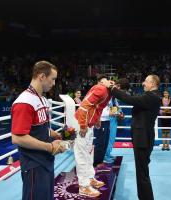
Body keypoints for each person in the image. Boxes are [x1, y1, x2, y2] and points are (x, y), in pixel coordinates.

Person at [11, 61, 65, 200]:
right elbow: (18, 138)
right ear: (41, 76)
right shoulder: (24, 102)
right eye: (52, 79)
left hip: (45, 161)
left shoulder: (41, 99)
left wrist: (55, 135)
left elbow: (40, 129)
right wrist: (49, 147)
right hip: (34, 163)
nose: (54, 83)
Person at [103, 74, 161, 200]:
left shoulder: (152, 97)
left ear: (153, 84)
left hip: (143, 139)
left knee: (142, 173)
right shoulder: (151, 96)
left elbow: (130, 99)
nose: (143, 84)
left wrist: (112, 89)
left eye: (146, 81)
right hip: (143, 138)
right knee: (142, 172)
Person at [74, 74, 112, 197]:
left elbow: (97, 107)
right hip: (82, 124)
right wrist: (83, 125)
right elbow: (84, 106)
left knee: (89, 152)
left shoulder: (109, 92)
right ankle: (83, 186)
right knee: (82, 154)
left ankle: (90, 178)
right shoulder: (102, 89)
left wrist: (97, 119)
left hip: (89, 124)